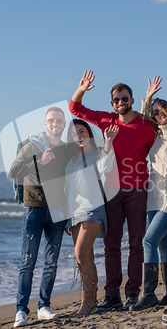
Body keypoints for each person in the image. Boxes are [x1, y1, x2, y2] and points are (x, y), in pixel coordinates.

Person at [69, 71, 156, 310]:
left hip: (138, 189)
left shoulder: (147, 126)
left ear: (131, 99)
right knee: (112, 245)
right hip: (111, 193)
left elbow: (162, 147)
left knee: (136, 244)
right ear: (112, 104)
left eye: (124, 98)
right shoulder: (107, 120)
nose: (120, 103)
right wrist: (82, 89)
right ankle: (111, 295)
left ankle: (132, 292)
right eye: (116, 100)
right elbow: (75, 109)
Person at [9, 107, 72, 327]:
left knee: (51, 263)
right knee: (28, 262)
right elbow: (14, 170)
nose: (55, 123)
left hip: (57, 211)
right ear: (45, 124)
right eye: (51, 120)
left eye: (59, 121)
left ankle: (44, 306)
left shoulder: (65, 148)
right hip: (34, 208)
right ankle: (21, 311)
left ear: (63, 125)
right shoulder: (33, 145)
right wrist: (38, 160)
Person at [130, 76, 167, 311]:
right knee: (163, 245)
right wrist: (147, 98)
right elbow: (139, 121)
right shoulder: (153, 135)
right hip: (153, 197)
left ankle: (149, 293)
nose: (159, 115)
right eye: (155, 112)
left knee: (149, 240)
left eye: (162, 111)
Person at [64, 119, 119, 316]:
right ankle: (89, 302)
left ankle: (88, 303)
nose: (79, 135)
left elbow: (106, 167)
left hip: (92, 210)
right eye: (75, 133)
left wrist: (108, 143)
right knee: (84, 258)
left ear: (88, 133)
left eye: (82, 131)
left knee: (80, 254)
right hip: (75, 212)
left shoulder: (97, 154)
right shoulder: (71, 162)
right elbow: (68, 189)